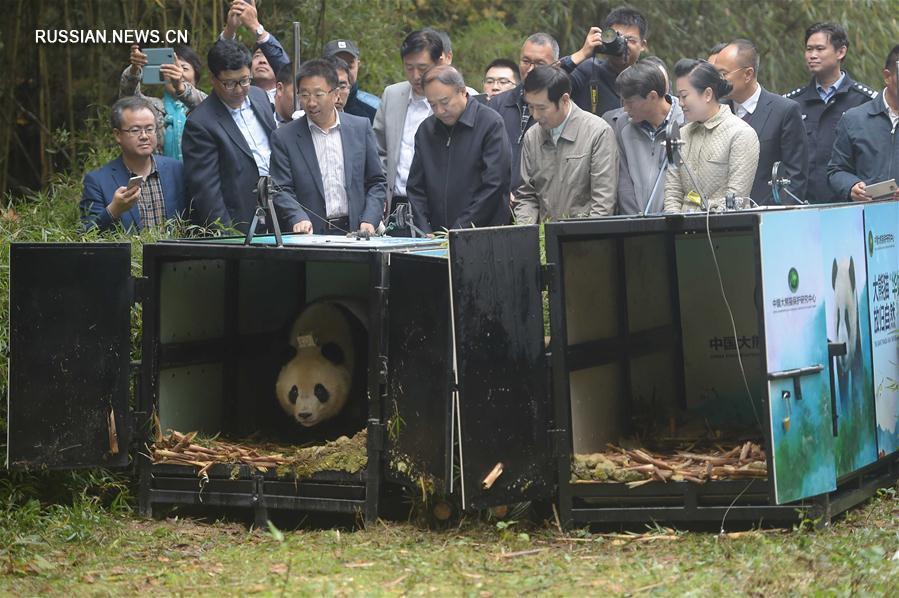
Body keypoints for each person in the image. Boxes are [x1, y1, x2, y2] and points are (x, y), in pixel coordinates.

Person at [270, 59, 386, 235]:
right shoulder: (284, 137)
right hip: (309, 235)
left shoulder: (360, 128)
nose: (311, 103)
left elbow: (376, 182)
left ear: (335, 94)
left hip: (356, 232)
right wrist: (297, 217)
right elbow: (281, 188)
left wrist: (370, 219)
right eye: (304, 95)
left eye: (318, 94)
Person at [182, 39, 276, 233]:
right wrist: (227, 236)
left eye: (244, 80)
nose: (240, 89)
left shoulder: (260, 97)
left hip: (277, 212)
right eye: (230, 83)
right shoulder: (200, 123)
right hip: (240, 222)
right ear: (213, 79)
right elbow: (208, 193)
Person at [407, 66, 511, 233]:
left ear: (463, 92)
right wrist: (424, 229)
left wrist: (459, 231)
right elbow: (415, 187)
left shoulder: (490, 123)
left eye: (445, 102)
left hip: (482, 234)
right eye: (433, 105)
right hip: (435, 237)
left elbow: (494, 185)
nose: (440, 111)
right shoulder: (426, 130)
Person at [784, 23, 878, 203]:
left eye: (819, 49)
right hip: (802, 207)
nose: (812, 55)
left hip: (850, 205)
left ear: (841, 52)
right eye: (809, 49)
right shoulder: (792, 104)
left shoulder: (866, 102)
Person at [514, 66, 618, 223]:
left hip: (583, 239)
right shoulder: (532, 136)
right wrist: (526, 234)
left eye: (541, 108)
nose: (535, 115)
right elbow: (527, 196)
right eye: (530, 107)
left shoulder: (598, 132)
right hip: (545, 238)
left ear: (564, 100)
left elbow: (603, 204)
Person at [714, 39, 808, 204]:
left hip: (769, 217)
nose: (718, 80)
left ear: (748, 74)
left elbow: (796, 177)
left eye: (723, 74)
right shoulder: (717, 112)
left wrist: (776, 214)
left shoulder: (784, 111)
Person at [664, 59, 759, 213]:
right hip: (681, 230)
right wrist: (674, 220)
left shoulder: (741, 134)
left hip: (725, 230)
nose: (680, 103)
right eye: (678, 97)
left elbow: (736, 198)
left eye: (684, 96)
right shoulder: (681, 134)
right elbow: (672, 190)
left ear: (707, 94)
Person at [373, 30, 446, 225]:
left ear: (440, 62)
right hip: (396, 204)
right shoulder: (392, 94)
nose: (416, 76)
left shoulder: (456, 100)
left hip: (437, 207)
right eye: (409, 68)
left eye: (422, 68)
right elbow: (378, 150)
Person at [81, 97, 186, 231]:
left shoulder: (177, 170)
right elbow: (85, 235)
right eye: (135, 130)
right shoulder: (98, 181)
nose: (144, 136)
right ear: (118, 135)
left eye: (149, 129)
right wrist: (113, 210)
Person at [603, 59, 685, 214]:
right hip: (636, 224)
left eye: (630, 103)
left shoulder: (684, 123)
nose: (625, 109)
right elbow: (623, 180)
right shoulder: (622, 125)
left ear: (652, 97)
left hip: (676, 221)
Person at [488, 33, 559, 194]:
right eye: (526, 62)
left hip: (541, 203)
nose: (531, 69)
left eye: (540, 63)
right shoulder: (496, 105)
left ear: (556, 66)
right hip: (498, 202)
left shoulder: (559, 109)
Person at [827, 45, 899, 202]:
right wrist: (851, 186)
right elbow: (836, 170)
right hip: (866, 218)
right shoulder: (854, 119)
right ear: (887, 76)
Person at [119, 44, 207, 159]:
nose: (177, 73)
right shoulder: (151, 108)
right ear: (162, 76)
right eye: (171, 68)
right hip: (160, 175)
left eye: (184, 68)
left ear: (196, 75)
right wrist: (134, 70)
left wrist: (180, 87)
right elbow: (127, 100)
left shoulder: (205, 105)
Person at [558, 6, 648, 116]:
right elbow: (545, 83)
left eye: (630, 40)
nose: (622, 44)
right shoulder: (588, 70)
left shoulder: (648, 79)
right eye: (616, 38)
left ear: (643, 45)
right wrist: (582, 53)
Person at [221, 0, 289, 106]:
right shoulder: (238, 97)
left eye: (268, 58)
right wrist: (230, 29)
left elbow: (284, 66)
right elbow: (219, 61)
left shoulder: (292, 96)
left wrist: (254, 25)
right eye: (257, 56)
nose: (262, 61)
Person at [323, 39, 380, 122]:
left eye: (349, 66)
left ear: (358, 65)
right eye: (336, 65)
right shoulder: (311, 106)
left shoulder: (375, 108)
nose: (344, 71)